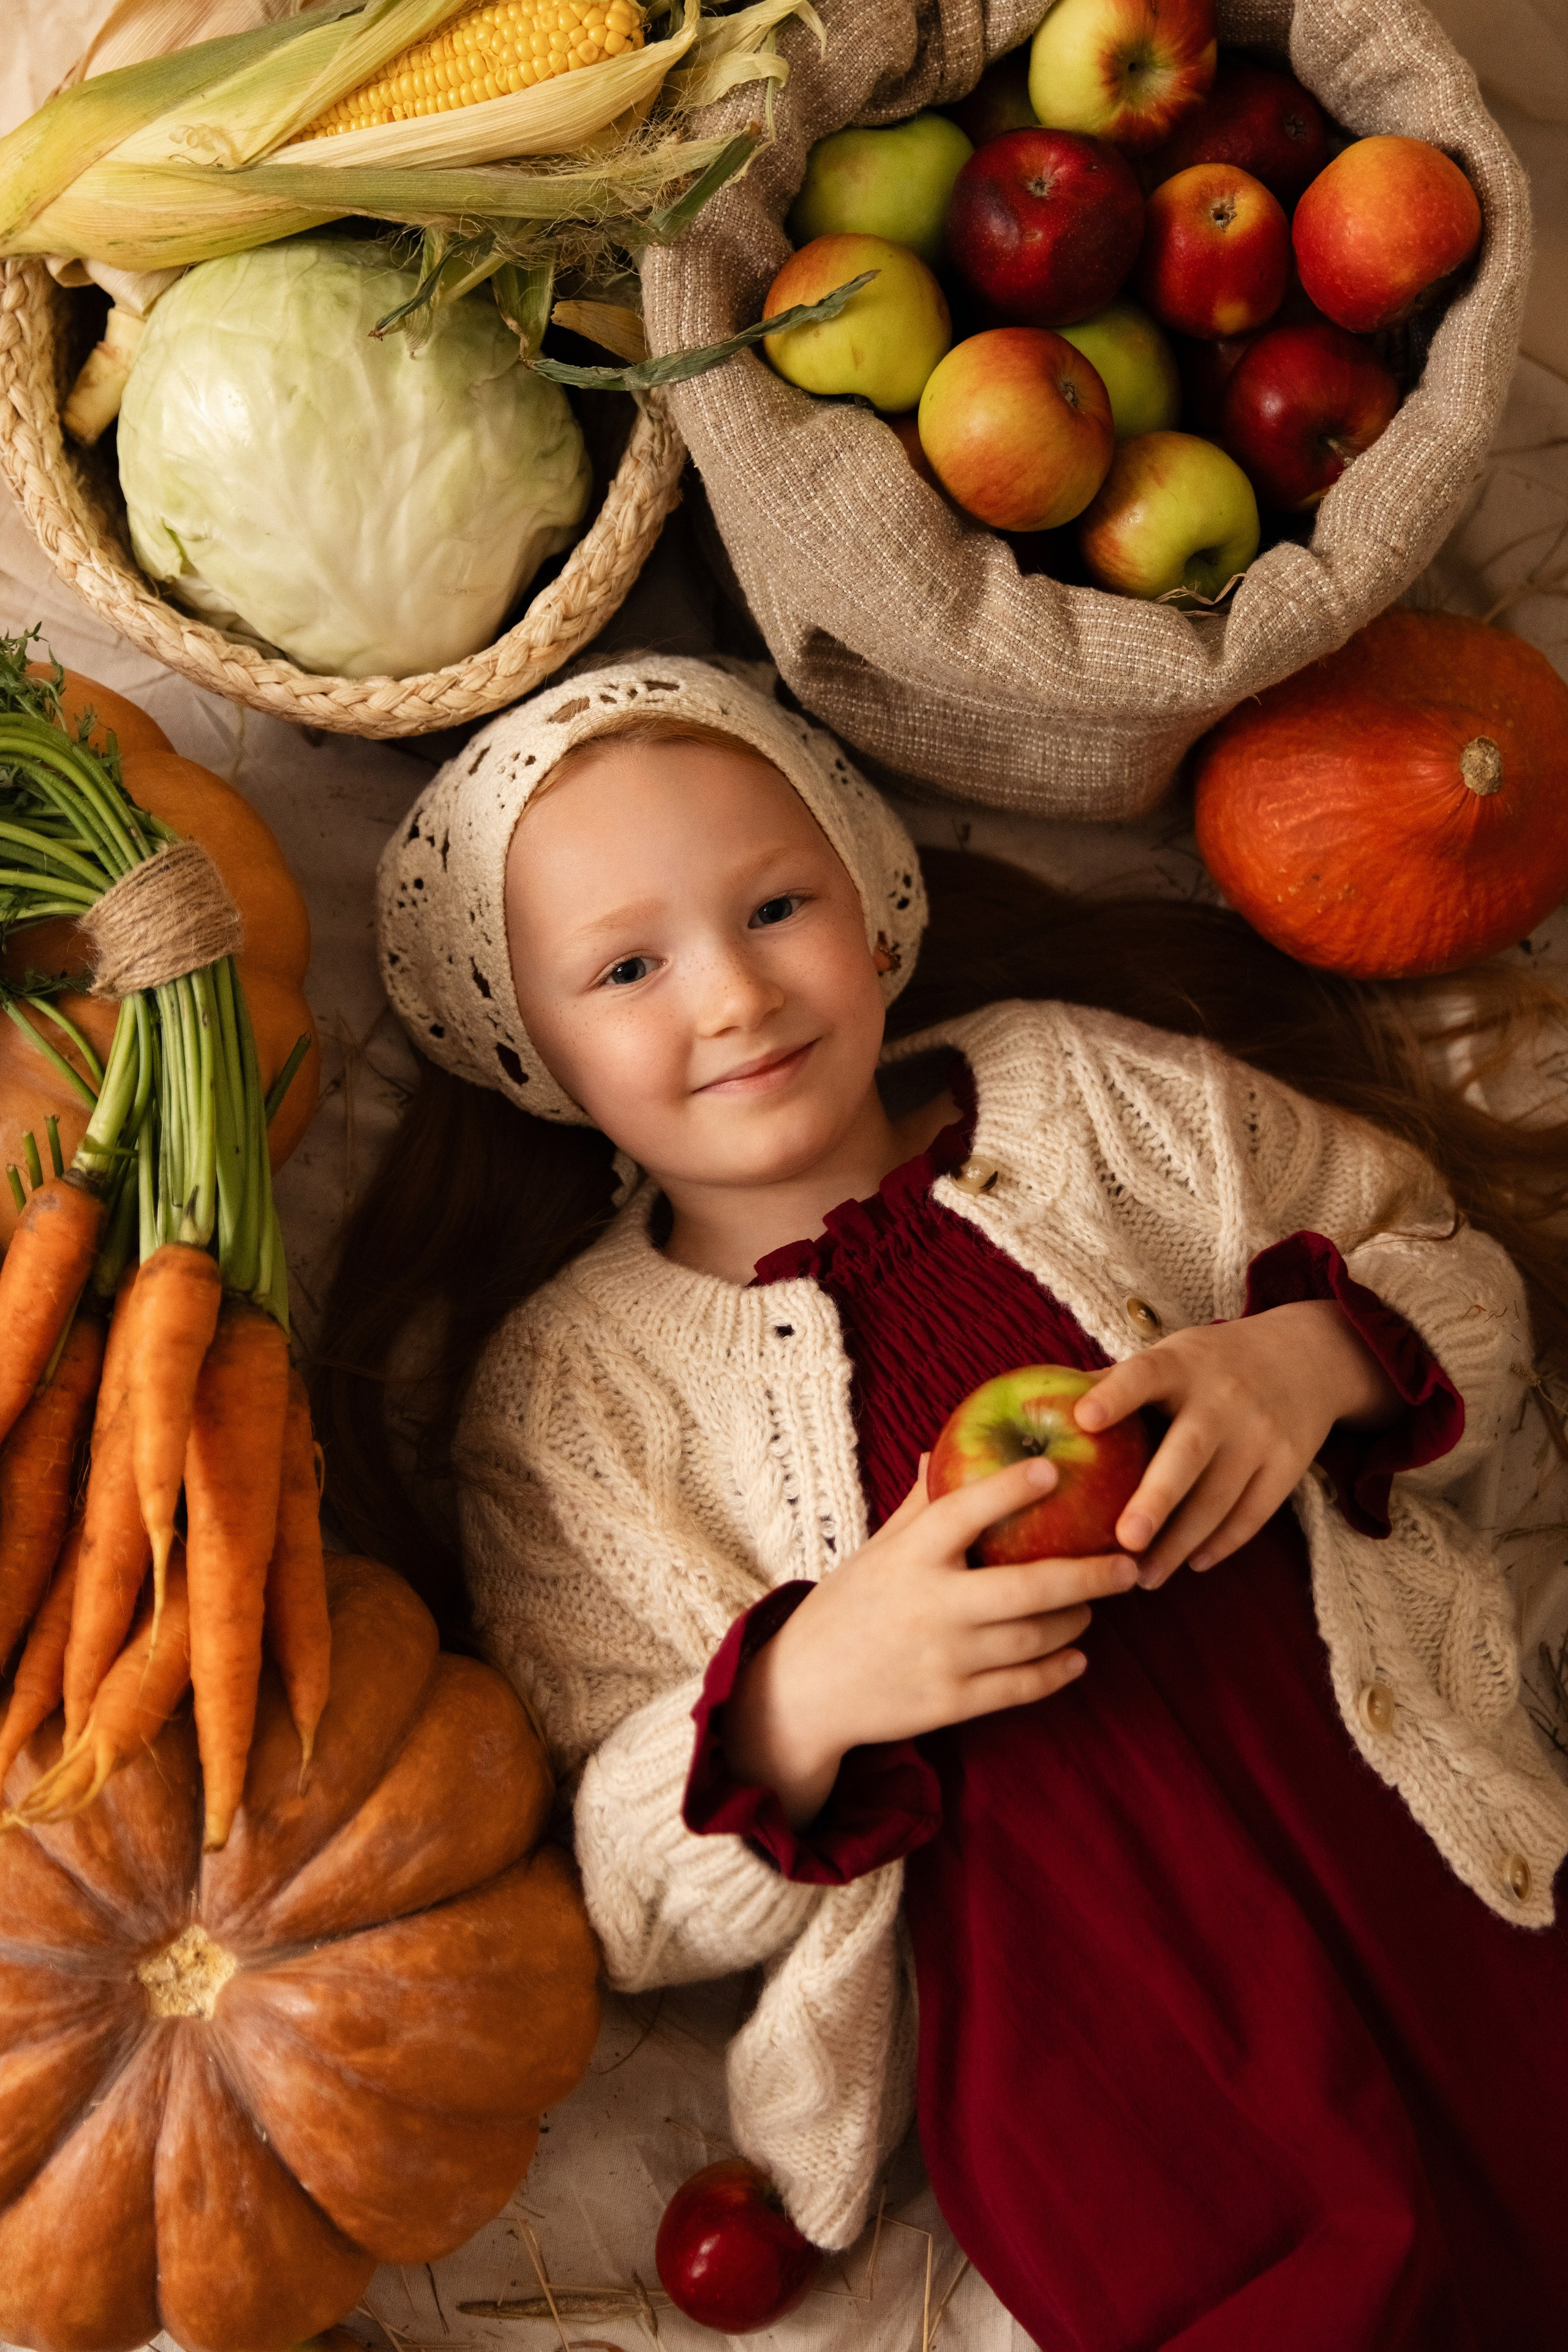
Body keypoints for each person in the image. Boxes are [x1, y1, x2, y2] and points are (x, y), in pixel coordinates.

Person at [322, 654, 1568, 2349]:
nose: (735, 996)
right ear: (533, 1048)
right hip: (1096, 2049)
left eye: (776, 906)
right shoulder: (572, 1402)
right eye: (628, 966)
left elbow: (1459, 1279)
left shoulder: (1093, 1095)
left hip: (1420, 1859)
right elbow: (612, 1887)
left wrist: (1311, 1360)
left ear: (872, 901)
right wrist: (806, 1687)